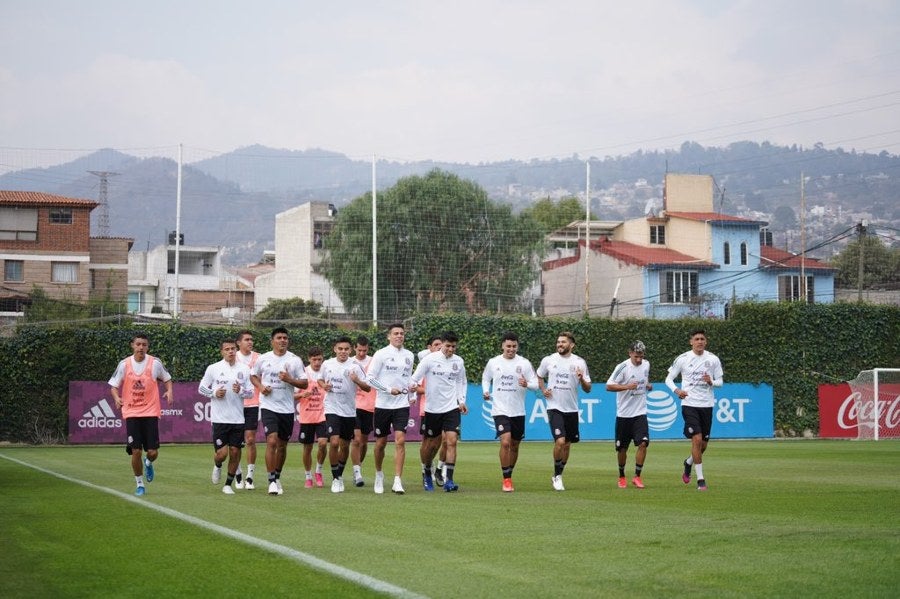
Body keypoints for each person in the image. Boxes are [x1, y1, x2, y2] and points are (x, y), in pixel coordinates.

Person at [108, 333, 173, 496]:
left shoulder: (155, 363)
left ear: (147, 347)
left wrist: (169, 391)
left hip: (150, 411)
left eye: (144, 344)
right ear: (132, 345)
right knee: (135, 450)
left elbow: (167, 379)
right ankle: (139, 484)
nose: (141, 347)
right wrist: (117, 398)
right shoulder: (124, 364)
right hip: (131, 412)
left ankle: (149, 462)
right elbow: (113, 385)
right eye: (138, 344)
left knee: (153, 452)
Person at [250, 326, 308, 496]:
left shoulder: (295, 360)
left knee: (282, 446)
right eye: (279, 338)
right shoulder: (263, 359)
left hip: (287, 408)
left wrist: (289, 379)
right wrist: (261, 387)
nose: (283, 340)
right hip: (268, 406)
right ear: (272, 341)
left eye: (285, 338)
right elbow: (253, 375)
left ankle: (277, 476)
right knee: (272, 441)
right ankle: (271, 481)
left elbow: (304, 383)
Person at [665, 329, 724, 491]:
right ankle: (701, 479)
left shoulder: (713, 359)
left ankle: (688, 462)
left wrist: (711, 382)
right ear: (691, 342)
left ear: (706, 342)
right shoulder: (683, 359)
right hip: (689, 404)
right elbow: (668, 379)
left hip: (707, 405)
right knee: (696, 439)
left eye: (702, 339)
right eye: (696, 339)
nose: (699, 341)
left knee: (703, 445)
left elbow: (720, 381)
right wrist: (677, 391)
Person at [482, 331, 540, 492]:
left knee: (514, 445)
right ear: (502, 346)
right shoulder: (494, 362)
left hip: (518, 411)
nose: (511, 349)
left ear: (517, 346)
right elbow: (486, 378)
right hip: (500, 409)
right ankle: (506, 479)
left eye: (514, 346)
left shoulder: (524, 363)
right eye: (508, 346)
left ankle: (509, 473)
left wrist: (526, 383)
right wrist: (486, 391)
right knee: (505, 442)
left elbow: (536, 384)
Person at [411, 331, 468, 492]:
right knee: (431, 445)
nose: (451, 349)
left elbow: (461, 382)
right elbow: (414, 379)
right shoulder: (429, 359)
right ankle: (426, 471)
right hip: (432, 409)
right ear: (442, 344)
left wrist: (461, 400)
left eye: (454, 346)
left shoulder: (459, 361)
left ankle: (449, 479)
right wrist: (411, 394)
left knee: (452, 441)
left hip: (451, 408)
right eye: (448, 346)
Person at [536, 331, 592, 491]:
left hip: (572, 409)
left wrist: (581, 379)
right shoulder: (549, 360)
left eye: (563, 342)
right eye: (558, 342)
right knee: (560, 441)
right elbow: (539, 375)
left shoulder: (580, 362)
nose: (560, 344)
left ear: (571, 345)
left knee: (567, 445)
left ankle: (559, 474)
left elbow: (588, 389)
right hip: (554, 407)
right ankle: (557, 475)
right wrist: (543, 389)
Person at [198, 339, 254, 494]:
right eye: (227, 349)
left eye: (233, 349)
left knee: (235, 452)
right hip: (219, 419)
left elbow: (251, 392)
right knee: (221, 454)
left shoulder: (244, 369)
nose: (230, 351)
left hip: (237, 419)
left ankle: (228, 484)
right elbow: (201, 388)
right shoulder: (213, 368)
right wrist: (214, 393)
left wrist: (241, 390)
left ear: (236, 350)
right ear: (222, 352)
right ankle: (217, 465)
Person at [366, 323, 415, 495]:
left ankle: (397, 480)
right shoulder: (381, 354)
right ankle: (379, 474)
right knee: (380, 443)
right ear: (389, 336)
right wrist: (387, 389)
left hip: (402, 404)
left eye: (402, 333)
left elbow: (408, 379)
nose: (399, 336)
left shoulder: (409, 355)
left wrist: (412, 392)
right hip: (383, 405)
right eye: (396, 333)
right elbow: (369, 379)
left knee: (400, 440)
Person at [319, 336, 371, 493]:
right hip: (332, 408)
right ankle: (335, 478)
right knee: (334, 443)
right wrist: (324, 386)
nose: (343, 352)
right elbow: (320, 380)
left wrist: (356, 381)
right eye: (340, 349)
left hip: (349, 411)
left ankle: (339, 475)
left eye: (346, 349)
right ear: (335, 349)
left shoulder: (355, 366)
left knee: (345, 445)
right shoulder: (327, 364)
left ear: (350, 350)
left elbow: (367, 388)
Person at [606, 340, 652, 489]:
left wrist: (647, 385)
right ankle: (621, 476)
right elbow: (609, 386)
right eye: (636, 356)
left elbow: (644, 379)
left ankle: (637, 476)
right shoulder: (623, 367)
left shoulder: (646, 364)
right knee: (622, 449)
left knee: (643, 443)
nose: (639, 359)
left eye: (641, 356)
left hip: (640, 413)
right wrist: (626, 386)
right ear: (630, 353)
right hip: (624, 415)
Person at [295, 347, 327, 488]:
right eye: (314, 359)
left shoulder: (326, 373)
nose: (317, 362)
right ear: (309, 359)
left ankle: (318, 471)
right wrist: (301, 395)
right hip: (307, 417)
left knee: (323, 443)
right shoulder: (303, 374)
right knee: (307, 448)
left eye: (319, 359)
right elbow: (292, 394)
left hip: (323, 415)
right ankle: (308, 476)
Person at [415, 335, 445, 485]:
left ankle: (439, 469)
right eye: (436, 344)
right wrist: (429, 389)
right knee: (428, 442)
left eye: (442, 344)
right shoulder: (425, 364)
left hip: (445, 408)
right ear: (430, 347)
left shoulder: (449, 362)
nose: (440, 346)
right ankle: (425, 468)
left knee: (442, 440)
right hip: (427, 409)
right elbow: (416, 386)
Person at [234, 330, 260, 489]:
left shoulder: (259, 358)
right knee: (235, 442)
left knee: (250, 439)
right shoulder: (232, 357)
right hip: (235, 405)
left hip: (253, 403)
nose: (250, 342)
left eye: (251, 339)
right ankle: (237, 473)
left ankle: (250, 476)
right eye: (246, 340)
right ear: (238, 343)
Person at [350, 335, 375, 487]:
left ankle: (359, 466)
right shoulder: (350, 362)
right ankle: (357, 473)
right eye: (359, 350)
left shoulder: (373, 362)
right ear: (355, 348)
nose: (361, 353)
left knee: (364, 442)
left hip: (369, 406)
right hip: (353, 406)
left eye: (364, 350)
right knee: (357, 439)